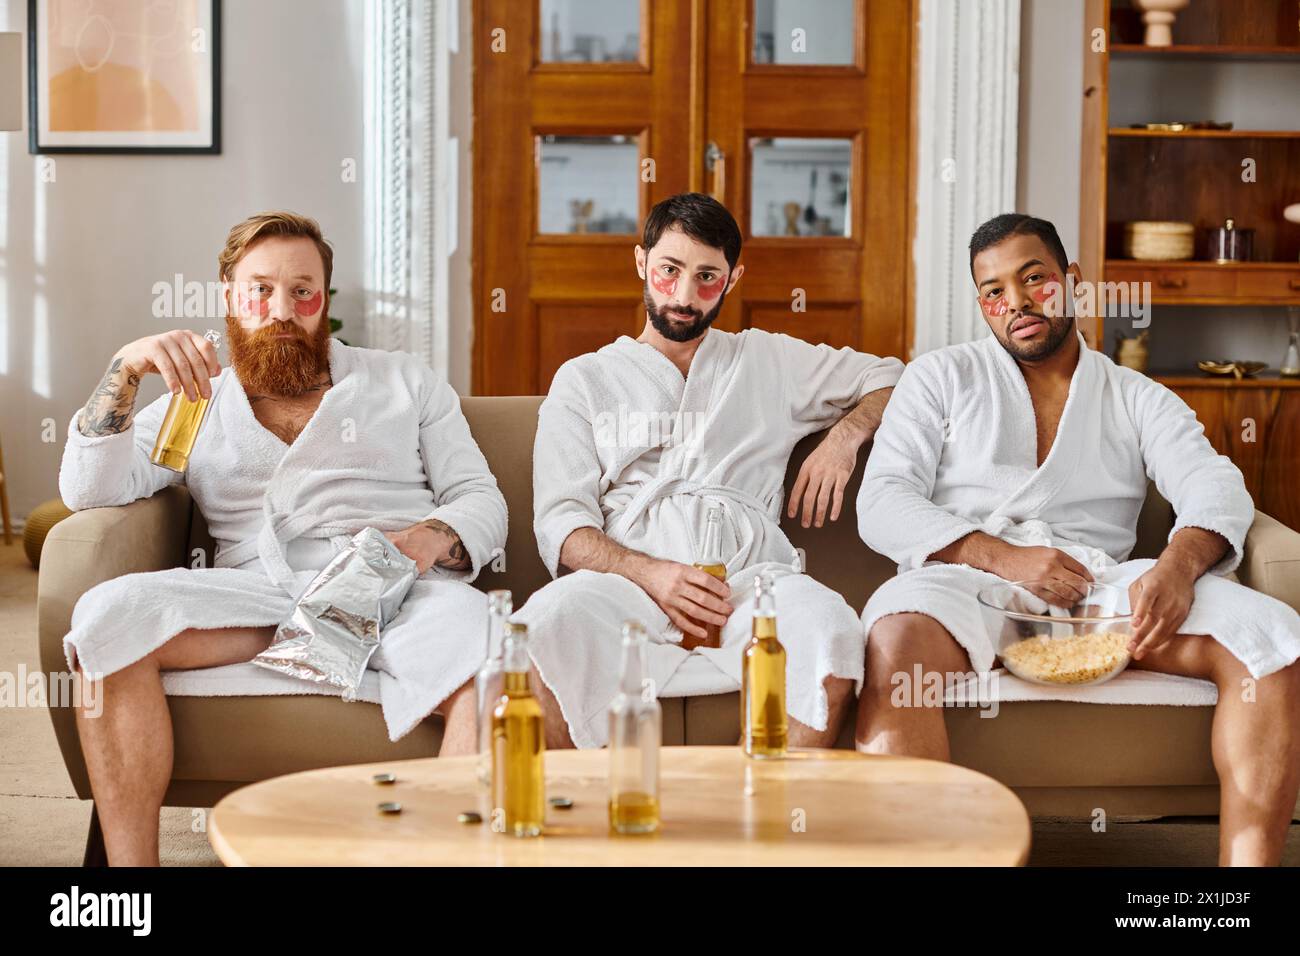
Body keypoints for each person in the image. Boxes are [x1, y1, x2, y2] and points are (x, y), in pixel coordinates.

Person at [59, 211, 507, 865]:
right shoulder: (198, 400)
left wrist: (426, 539)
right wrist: (126, 369)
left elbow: (481, 497)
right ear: (228, 298)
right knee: (106, 616)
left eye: (303, 290)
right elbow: (90, 491)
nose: (281, 307)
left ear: (325, 300)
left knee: (491, 651)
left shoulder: (402, 381)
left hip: (397, 590)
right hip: (255, 593)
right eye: (260, 289)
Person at [856, 212, 1300, 866]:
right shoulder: (941, 378)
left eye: (1034, 280)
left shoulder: (1135, 395)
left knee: (1271, 642)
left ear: (1073, 283)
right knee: (893, 642)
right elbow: (883, 501)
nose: (1017, 303)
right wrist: (1003, 557)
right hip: (969, 582)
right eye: (994, 291)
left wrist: (1177, 568)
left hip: (1101, 592)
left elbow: (1215, 483)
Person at [514, 192, 903, 749]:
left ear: (733, 278)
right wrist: (653, 575)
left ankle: (776, 818)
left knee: (832, 631)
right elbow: (562, 526)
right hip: (626, 585)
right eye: (669, 270)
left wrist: (845, 436)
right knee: (542, 626)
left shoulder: (769, 360)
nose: (684, 296)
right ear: (641, 262)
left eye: (707, 278)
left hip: (751, 582)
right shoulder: (584, 379)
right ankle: (578, 826)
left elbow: (894, 378)